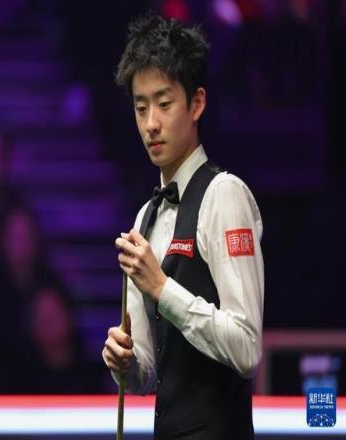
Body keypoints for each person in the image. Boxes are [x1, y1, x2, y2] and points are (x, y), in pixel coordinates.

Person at [102, 15, 264, 440]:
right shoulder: (144, 219)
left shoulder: (225, 196)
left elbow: (247, 347)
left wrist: (162, 288)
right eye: (141, 108)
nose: (151, 123)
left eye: (164, 103)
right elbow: (148, 375)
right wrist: (126, 362)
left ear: (196, 104)